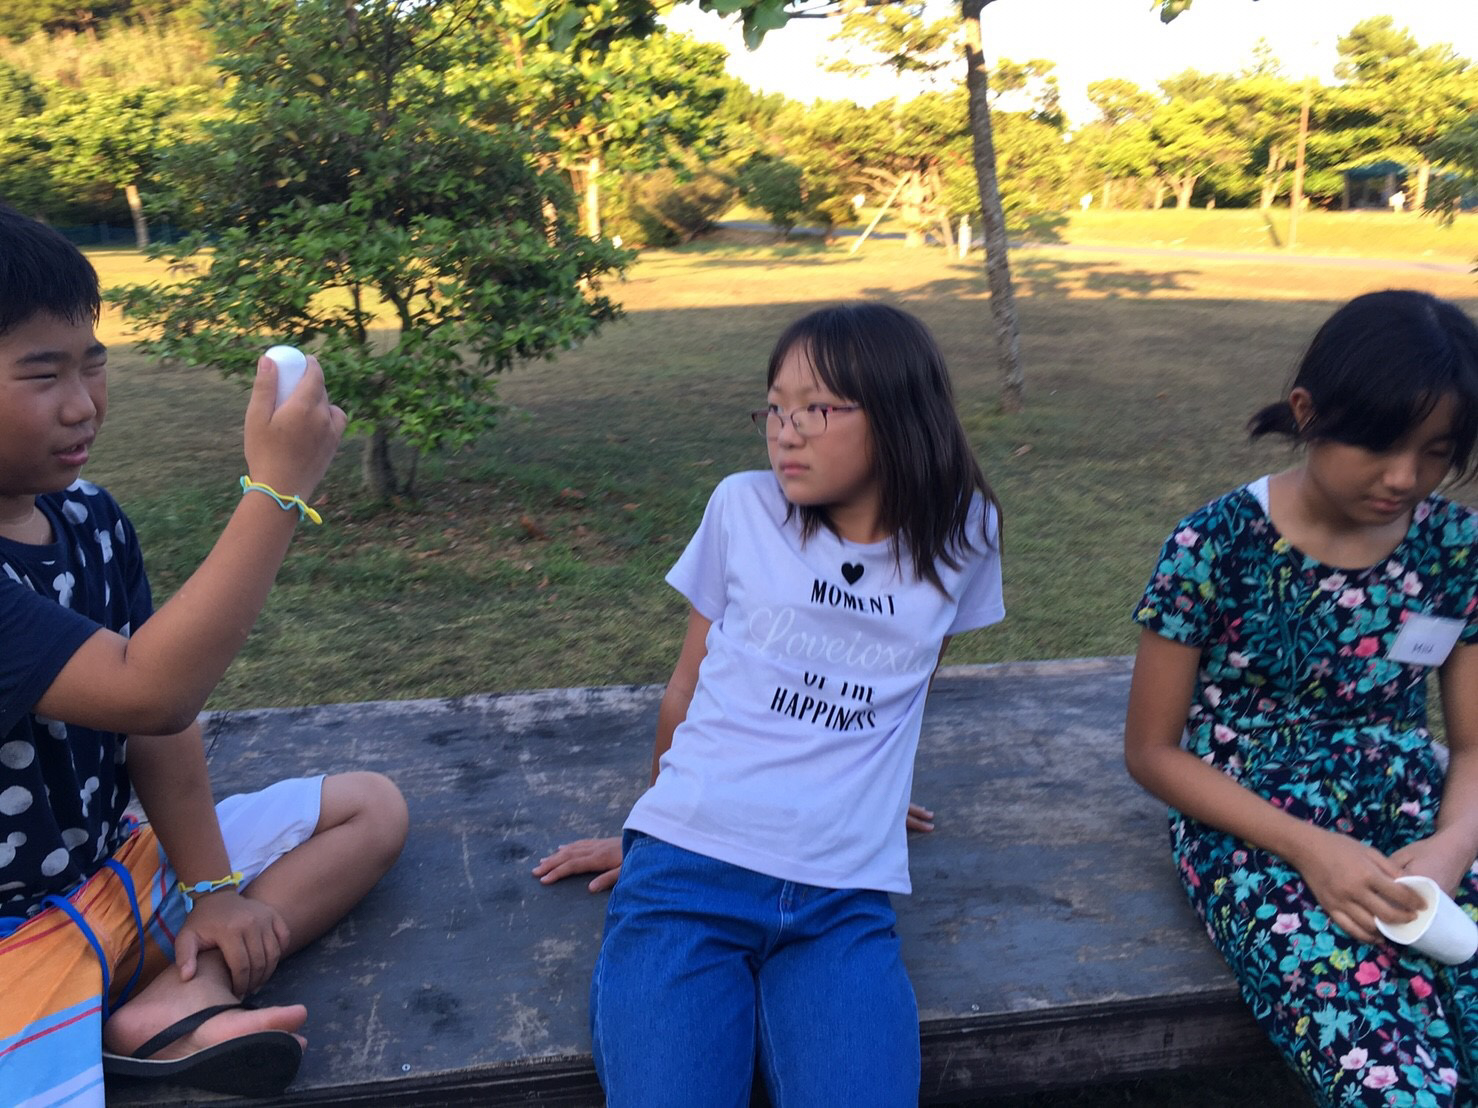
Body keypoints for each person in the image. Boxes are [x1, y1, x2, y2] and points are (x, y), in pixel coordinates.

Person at [533, 302, 1004, 1106]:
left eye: (816, 408)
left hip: (841, 904)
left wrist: (871, 782)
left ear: (899, 412)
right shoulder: (744, 508)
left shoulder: (965, 532)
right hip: (687, 878)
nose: (785, 431)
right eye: (774, 408)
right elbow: (687, 684)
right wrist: (649, 829)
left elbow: (910, 676)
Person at [0, 205, 409, 1106]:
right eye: (42, 373)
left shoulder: (90, 519)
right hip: (15, 946)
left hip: (121, 872)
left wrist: (214, 886)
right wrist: (276, 491)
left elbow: (163, 721)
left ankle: (180, 997)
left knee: (369, 810)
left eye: (92, 361)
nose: (82, 402)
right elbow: (150, 688)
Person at [1124, 289, 1478, 1106]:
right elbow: (1151, 750)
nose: (1405, 478)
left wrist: (1457, 840)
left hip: (1414, 809)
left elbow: (1472, 745)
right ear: (1307, 411)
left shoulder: (1454, 547)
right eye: (1381, 446)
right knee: (1385, 1067)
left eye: (1435, 451)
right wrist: (1309, 849)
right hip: (1252, 824)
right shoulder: (1214, 544)